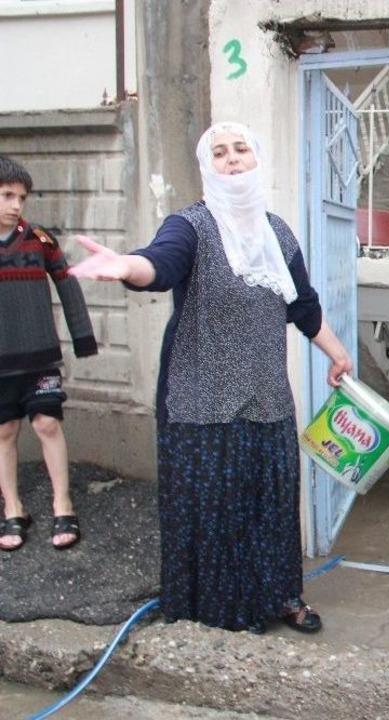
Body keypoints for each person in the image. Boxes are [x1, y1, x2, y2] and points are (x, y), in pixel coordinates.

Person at [69, 122, 353, 634]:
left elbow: (303, 306)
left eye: (242, 149)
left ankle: (282, 596)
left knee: (270, 502)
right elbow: (160, 263)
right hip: (203, 398)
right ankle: (217, 612)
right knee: (213, 510)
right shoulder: (191, 226)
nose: (232, 160)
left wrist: (337, 354)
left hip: (267, 395)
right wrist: (127, 265)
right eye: (219, 153)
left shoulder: (279, 233)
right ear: (207, 167)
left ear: (257, 158)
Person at [0, 155, 98, 552]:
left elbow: (68, 284)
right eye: (7, 195)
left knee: (47, 424)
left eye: (21, 197)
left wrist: (83, 337)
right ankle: (13, 509)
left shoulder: (39, 239)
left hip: (40, 356)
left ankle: (63, 503)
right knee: (4, 432)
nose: (15, 205)